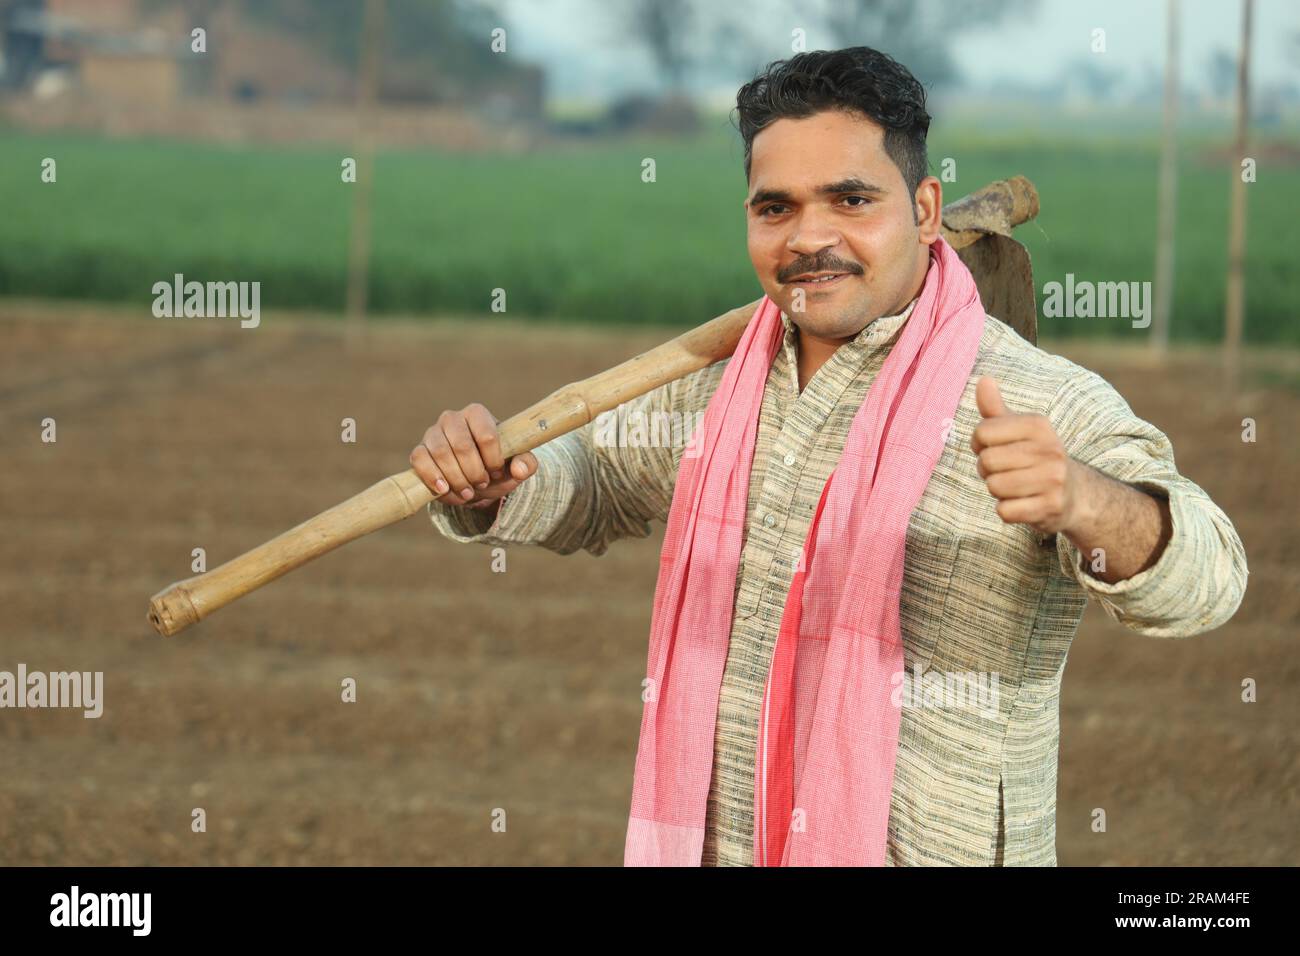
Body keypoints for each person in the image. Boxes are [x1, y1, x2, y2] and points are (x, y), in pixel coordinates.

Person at [410, 47, 1247, 866]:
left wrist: (1082, 500)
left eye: (850, 200)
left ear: (925, 210)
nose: (809, 238)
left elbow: (1209, 581)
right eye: (776, 208)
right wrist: (494, 482)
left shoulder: (1042, 403)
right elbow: (593, 484)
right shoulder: (719, 386)